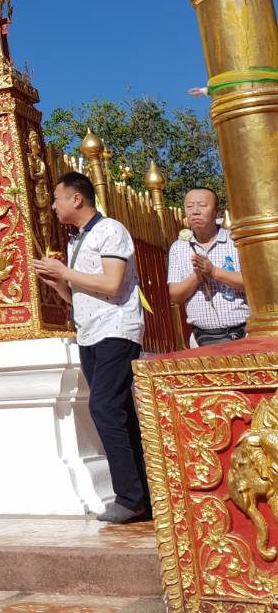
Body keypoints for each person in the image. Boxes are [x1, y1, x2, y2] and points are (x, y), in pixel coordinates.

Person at [33, 171, 150, 524]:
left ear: (76, 199)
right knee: (119, 412)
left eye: (56, 198)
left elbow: (113, 284)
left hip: (117, 329)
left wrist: (66, 273)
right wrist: (57, 282)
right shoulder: (75, 242)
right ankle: (144, 492)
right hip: (89, 332)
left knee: (104, 408)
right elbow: (80, 297)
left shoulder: (110, 230)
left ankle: (129, 497)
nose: (52, 206)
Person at [167, 187, 247, 344]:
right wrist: (197, 276)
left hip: (243, 331)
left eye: (202, 205)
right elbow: (175, 295)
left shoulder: (236, 241)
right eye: (189, 206)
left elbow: (252, 284)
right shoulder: (178, 247)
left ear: (216, 211)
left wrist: (214, 272)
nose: (195, 211)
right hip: (202, 336)